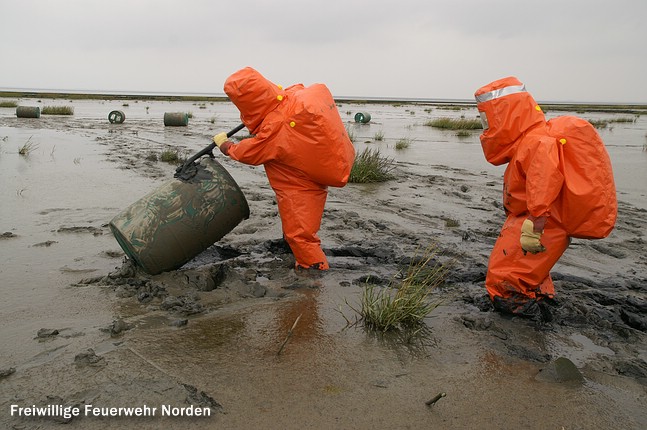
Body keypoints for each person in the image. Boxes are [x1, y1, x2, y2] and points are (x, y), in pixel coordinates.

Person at [474, 76, 617, 320]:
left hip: (541, 222)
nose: (486, 125)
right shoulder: (533, 139)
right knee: (526, 272)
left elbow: (544, 180)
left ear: (505, 115)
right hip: (535, 219)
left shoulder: (536, 141)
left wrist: (536, 222)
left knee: (506, 278)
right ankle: (539, 302)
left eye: (488, 118)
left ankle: (521, 327)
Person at [213, 67, 355, 272]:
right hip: (312, 169)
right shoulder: (293, 96)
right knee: (297, 226)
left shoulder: (275, 127)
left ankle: (313, 274)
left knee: (300, 235)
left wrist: (225, 146)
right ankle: (293, 251)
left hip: (298, 183)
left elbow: (249, 153)